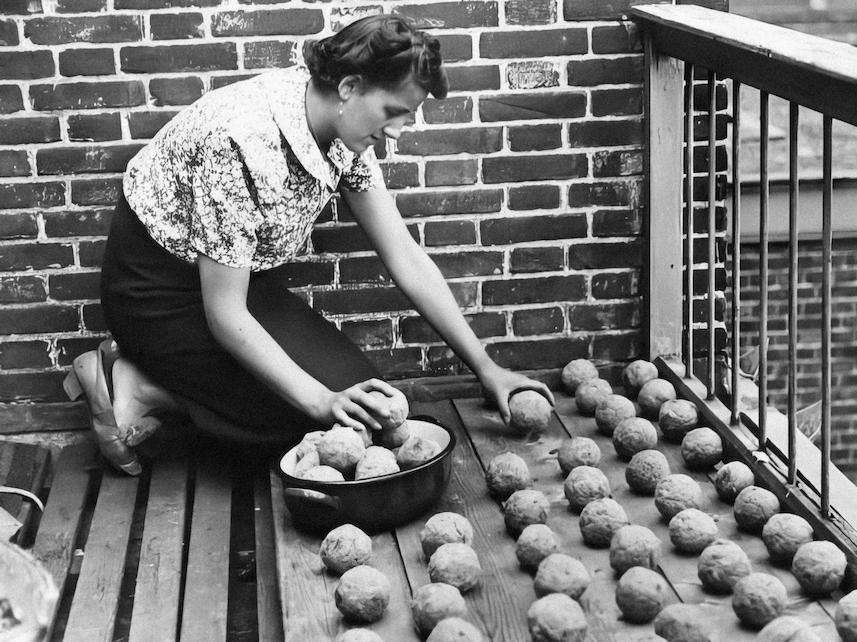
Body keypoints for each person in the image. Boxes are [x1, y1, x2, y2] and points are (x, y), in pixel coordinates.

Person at [64, 14, 552, 475]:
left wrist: (487, 368)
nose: (398, 132)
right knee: (321, 416)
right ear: (349, 87)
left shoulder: (344, 130)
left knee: (362, 400)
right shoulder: (240, 139)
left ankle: (158, 384)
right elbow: (224, 314)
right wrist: (320, 401)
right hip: (155, 292)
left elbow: (404, 257)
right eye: (394, 112)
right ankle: (140, 383)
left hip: (232, 282)